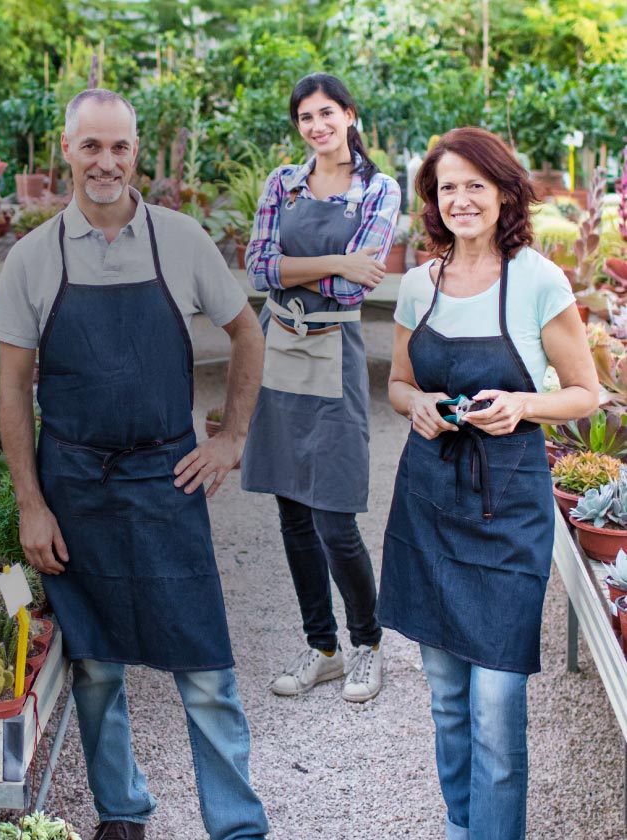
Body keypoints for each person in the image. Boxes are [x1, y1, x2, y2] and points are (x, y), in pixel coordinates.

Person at [0, 89, 269, 840]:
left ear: (136, 151)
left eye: (119, 147)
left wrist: (231, 437)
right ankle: (122, 812)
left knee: (206, 668)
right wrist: (30, 503)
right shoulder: (32, 258)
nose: (106, 162)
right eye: (91, 147)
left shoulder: (179, 241)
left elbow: (248, 335)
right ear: (67, 150)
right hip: (75, 488)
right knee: (96, 667)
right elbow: (13, 391)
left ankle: (239, 826)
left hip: (166, 481)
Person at [378, 127, 600, 840]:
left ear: (504, 191)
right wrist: (417, 407)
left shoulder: (538, 278)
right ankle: (460, 826)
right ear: (433, 201)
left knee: (497, 705)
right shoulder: (418, 284)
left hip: (508, 510)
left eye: (476, 184)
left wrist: (523, 405)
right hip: (430, 504)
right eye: (448, 187)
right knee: (446, 697)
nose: (462, 199)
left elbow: (586, 393)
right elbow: (399, 382)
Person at [241, 73, 400, 702]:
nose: (317, 126)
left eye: (327, 113)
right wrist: (334, 260)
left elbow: (355, 290)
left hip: (334, 351)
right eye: (306, 117)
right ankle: (322, 647)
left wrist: (298, 273)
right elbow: (258, 269)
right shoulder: (283, 182)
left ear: (350, 115)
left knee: (334, 515)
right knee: (291, 512)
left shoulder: (378, 189)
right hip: (278, 346)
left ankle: (368, 643)